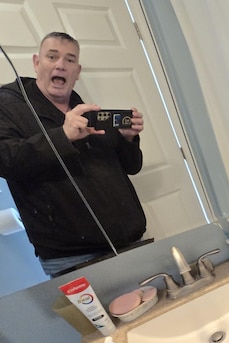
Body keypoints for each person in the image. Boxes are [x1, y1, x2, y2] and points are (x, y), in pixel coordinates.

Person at [0, 32, 147, 277]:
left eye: (69, 60)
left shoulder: (90, 113)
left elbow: (131, 167)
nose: (60, 64)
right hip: (72, 257)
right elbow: (6, 161)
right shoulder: (8, 107)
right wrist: (63, 135)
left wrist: (128, 138)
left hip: (130, 241)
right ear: (37, 63)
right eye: (52, 56)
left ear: (77, 72)